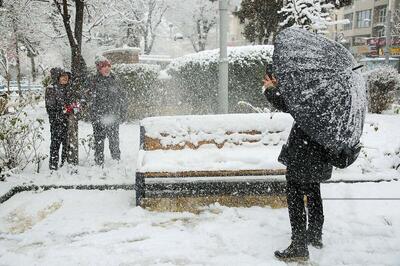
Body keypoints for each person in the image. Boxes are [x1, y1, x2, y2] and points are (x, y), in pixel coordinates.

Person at [263, 74, 333, 262]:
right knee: (313, 193)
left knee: (295, 198)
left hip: (302, 156)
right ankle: (315, 235)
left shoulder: (313, 94)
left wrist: (270, 89)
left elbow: (286, 103)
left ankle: (299, 246)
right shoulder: (332, 97)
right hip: (319, 156)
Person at [88, 57, 127, 166]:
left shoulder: (115, 80)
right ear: (99, 69)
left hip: (113, 115)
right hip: (99, 116)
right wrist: (94, 113)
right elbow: (89, 98)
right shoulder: (94, 81)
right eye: (104, 66)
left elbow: (122, 97)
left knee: (114, 139)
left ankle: (116, 160)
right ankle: (99, 161)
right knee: (99, 140)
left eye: (108, 66)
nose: (107, 68)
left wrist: (123, 112)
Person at [45, 68, 71, 170]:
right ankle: (53, 165)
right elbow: (51, 106)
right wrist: (63, 111)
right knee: (55, 144)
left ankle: (65, 163)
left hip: (66, 120)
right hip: (56, 121)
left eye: (66, 76)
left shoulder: (67, 88)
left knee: (66, 143)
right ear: (57, 77)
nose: (65, 78)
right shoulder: (51, 89)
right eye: (62, 76)